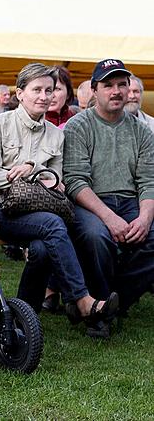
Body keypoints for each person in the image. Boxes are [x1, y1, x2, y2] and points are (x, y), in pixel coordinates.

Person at [0, 62, 118, 338]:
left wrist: (31, 169)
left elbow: (55, 182)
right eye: (37, 90)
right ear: (20, 93)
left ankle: (23, 317)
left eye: (50, 90)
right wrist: (22, 176)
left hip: (36, 210)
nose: (45, 96)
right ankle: (81, 300)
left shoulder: (56, 134)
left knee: (43, 248)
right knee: (53, 225)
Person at [64, 58, 154, 337]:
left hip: (131, 202)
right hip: (91, 202)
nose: (116, 91)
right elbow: (75, 182)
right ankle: (99, 311)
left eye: (122, 85)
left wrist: (144, 218)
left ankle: (110, 303)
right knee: (96, 237)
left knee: (152, 238)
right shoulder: (78, 126)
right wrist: (110, 218)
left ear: (129, 89)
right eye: (108, 85)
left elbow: (149, 181)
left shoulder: (142, 130)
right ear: (94, 90)